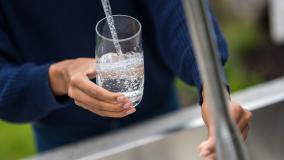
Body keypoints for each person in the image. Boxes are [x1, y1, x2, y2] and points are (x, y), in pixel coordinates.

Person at [0, 0, 252, 159]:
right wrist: (59, 77)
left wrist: (212, 88)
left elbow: (178, 10)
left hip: (160, 117)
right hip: (63, 138)